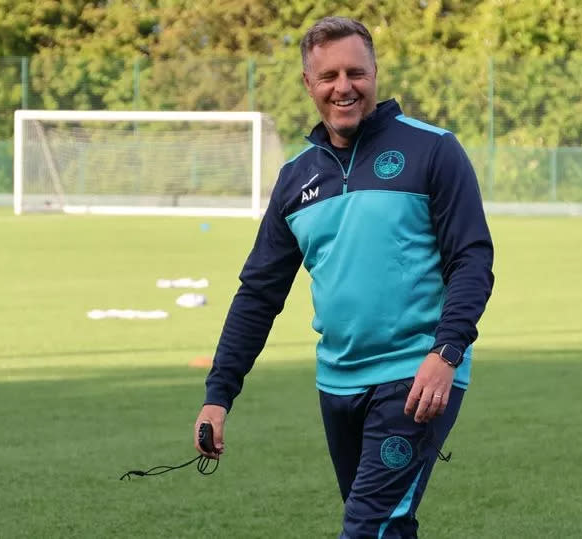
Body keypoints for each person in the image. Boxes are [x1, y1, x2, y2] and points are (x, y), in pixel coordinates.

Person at [194, 16, 494, 538]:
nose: (344, 87)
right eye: (329, 75)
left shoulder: (434, 150)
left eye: (356, 72)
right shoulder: (296, 178)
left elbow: (471, 259)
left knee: (366, 528)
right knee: (387, 527)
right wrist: (219, 394)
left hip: (416, 376)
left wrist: (446, 353)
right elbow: (259, 293)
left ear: (375, 73)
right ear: (309, 85)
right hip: (337, 381)